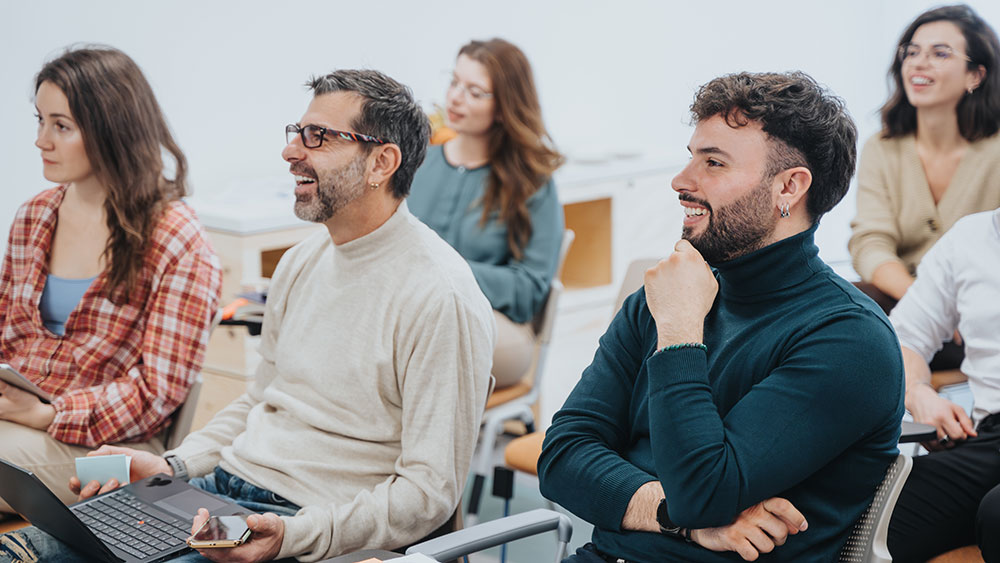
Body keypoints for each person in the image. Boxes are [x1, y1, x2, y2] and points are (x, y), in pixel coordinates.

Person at [0, 68, 495, 563]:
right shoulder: (302, 262)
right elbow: (258, 403)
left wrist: (294, 535)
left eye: (318, 137)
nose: (291, 151)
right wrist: (172, 465)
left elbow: (428, 495)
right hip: (217, 493)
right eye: (297, 133)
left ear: (381, 162)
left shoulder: (440, 296)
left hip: (301, 520)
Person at [537, 71, 905, 562]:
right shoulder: (667, 293)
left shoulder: (849, 340)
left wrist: (680, 334)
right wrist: (677, 521)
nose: (681, 181)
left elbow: (703, 493)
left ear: (789, 187)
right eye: (691, 156)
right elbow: (562, 456)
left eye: (713, 163)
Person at [0, 46, 222, 512]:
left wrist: (46, 413)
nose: (42, 140)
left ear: (111, 129)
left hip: (116, 451)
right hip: (17, 420)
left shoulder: (176, 239)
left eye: (61, 126)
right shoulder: (35, 216)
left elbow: (156, 394)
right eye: (39, 120)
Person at [849, 4, 1000, 370]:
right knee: (847, 305)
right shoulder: (881, 148)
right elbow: (871, 243)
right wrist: (925, 302)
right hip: (908, 306)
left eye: (939, 53)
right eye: (911, 52)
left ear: (975, 75)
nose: (918, 63)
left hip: (984, 309)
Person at [408, 38, 564, 388]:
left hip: (495, 326)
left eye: (475, 92)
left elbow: (530, 290)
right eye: (455, 83)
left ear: (505, 104)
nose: (456, 98)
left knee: (415, 345)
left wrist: (447, 272)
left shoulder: (532, 182)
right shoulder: (419, 165)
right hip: (417, 317)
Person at [885, 206, 1000, 561]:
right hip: (990, 438)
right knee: (874, 514)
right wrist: (919, 393)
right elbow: (901, 339)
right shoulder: (970, 238)